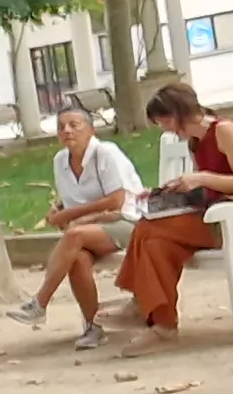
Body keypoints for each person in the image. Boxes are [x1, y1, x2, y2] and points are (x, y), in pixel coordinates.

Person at [120, 80, 233, 348]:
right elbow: (208, 188)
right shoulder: (196, 140)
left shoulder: (224, 131)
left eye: (164, 121)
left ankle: (139, 303)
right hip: (215, 214)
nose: (164, 128)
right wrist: (172, 190)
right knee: (157, 245)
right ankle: (163, 325)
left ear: (178, 114)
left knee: (149, 228)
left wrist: (201, 178)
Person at [13, 103, 140, 348]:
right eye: (61, 127)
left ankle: (40, 302)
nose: (67, 131)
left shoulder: (106, 153)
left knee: (74, 237)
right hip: (90, 230)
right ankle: (93, 327)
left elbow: (116, 201)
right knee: (78, 257)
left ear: (91, 130)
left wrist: (73, 216)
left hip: (127, 221)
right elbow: (75, 196)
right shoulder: (60, 160)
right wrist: (59, 209)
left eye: (74, 125)